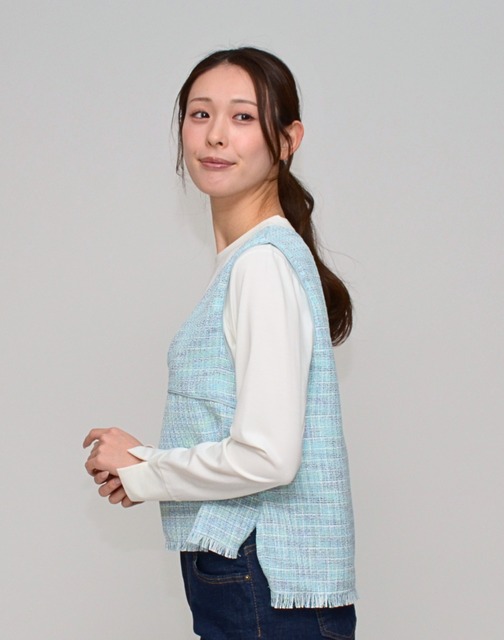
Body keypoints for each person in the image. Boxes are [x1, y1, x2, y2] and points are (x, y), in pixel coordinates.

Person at [83, 46, 357, 639]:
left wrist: (145, 467)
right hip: (259, 580)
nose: (215, 136)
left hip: (264, 582)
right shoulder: (252, 261)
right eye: (200, 114)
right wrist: (145, 468)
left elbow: (268, 456)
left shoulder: (261, 266)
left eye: (243, 117)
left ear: (288, 140)